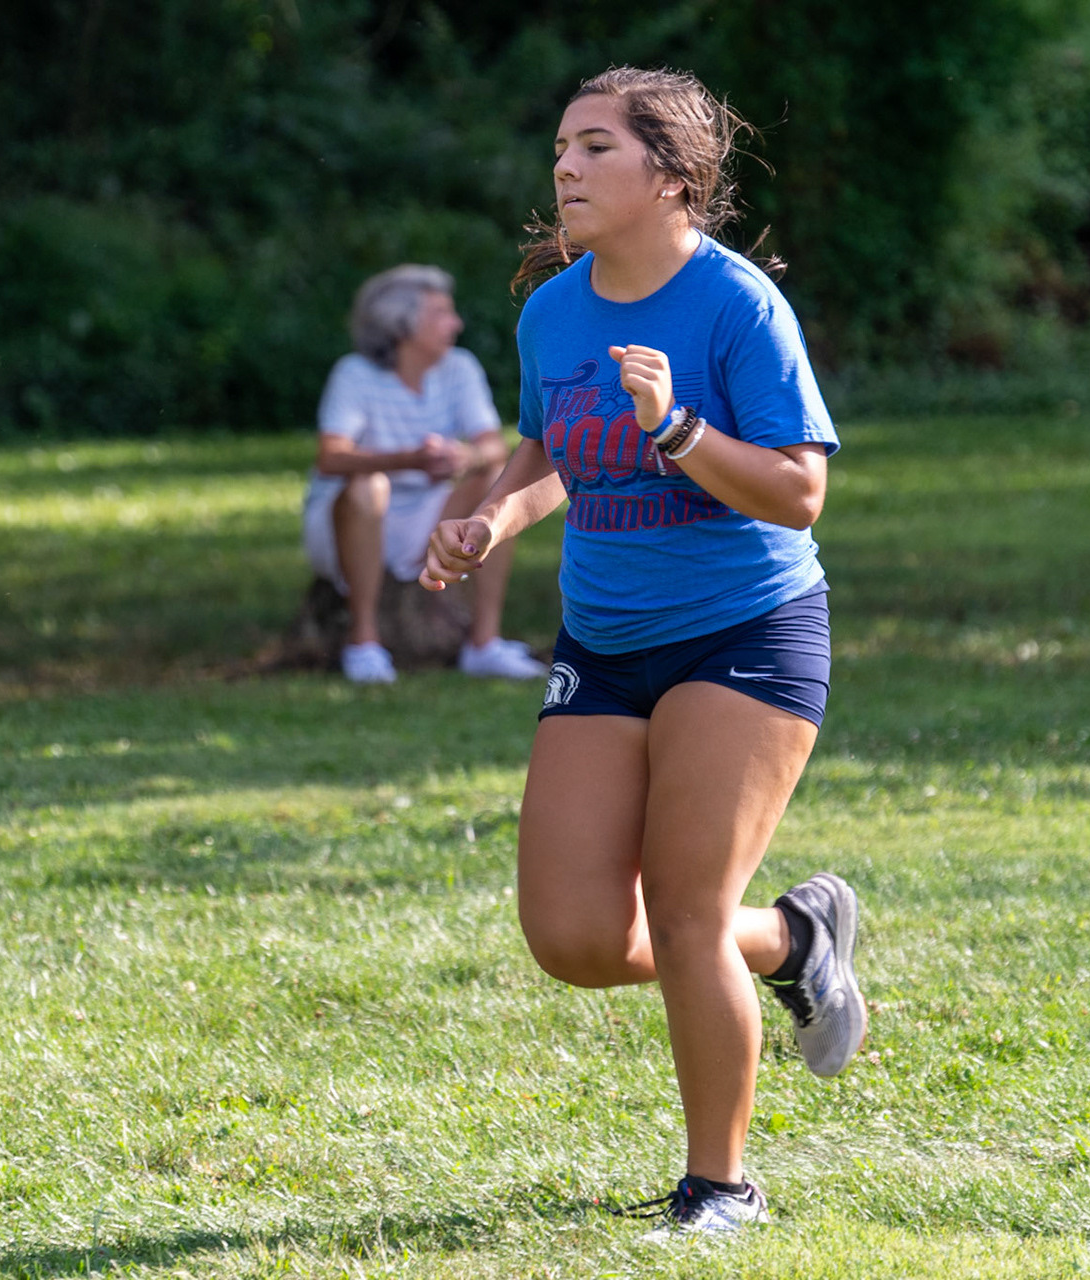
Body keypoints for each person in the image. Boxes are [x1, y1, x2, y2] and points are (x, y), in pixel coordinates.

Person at [421, 67, 866, 1240]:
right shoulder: (553, 312)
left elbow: (800, 491)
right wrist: (491, 520)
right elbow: (550, 450)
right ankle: (792, 938)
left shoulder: (736, 307)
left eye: (595, 148)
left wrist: (679, 427)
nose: (564, 168)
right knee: (573, 935)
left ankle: (722, 1186)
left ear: (671, 176)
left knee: (681, 907)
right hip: (605, 641)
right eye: (561, 149)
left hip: (746, 630)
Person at [303, 265, 549, 684]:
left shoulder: (460, 367)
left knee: (496, 480)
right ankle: (363, 642)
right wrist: (410, 460)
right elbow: (331, 457)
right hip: (352, 519)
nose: (456, 323)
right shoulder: (354, 373)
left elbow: (493, 446)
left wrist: (465, 456)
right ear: (401, 323)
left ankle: (483, 643)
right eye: (441, 313)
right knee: (367, 486)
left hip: (427, 509)